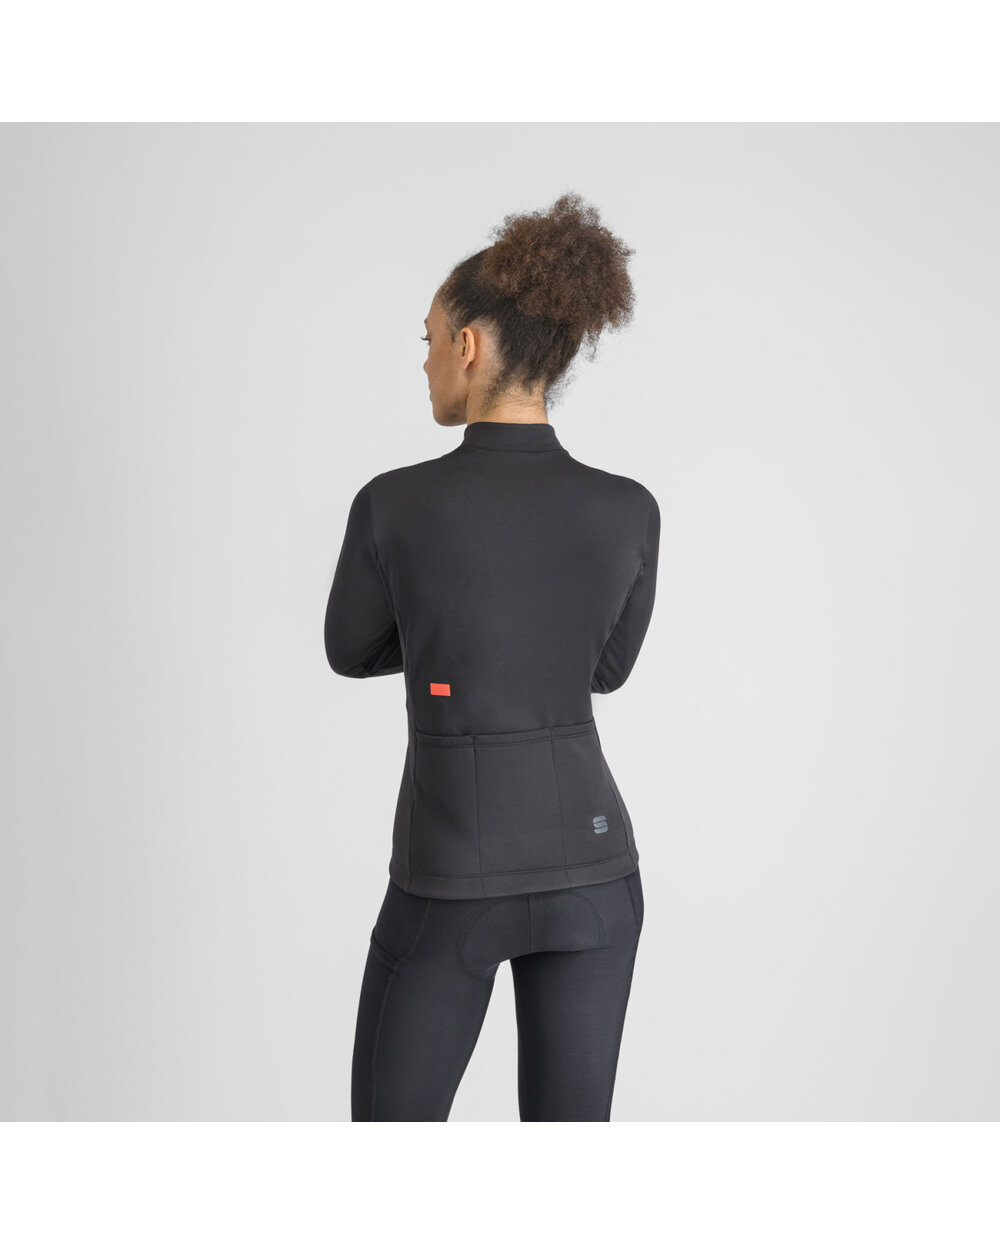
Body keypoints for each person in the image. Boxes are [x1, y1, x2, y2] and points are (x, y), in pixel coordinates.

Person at [325, 190, 661, 1121]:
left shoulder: (394, 505)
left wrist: (453, 638)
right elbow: (604, 670)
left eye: (429, 338)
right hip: (596, 875)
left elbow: (350, 649)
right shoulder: (628, 508)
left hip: (450, 876)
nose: (426, 359)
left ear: (468, 345)